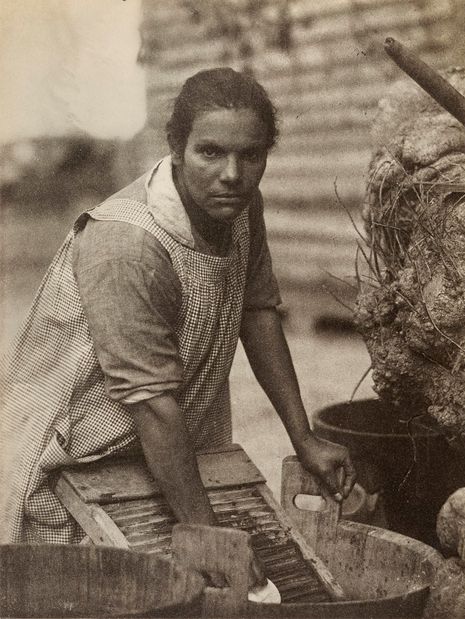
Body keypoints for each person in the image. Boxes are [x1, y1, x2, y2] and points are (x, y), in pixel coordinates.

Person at [0, 69, 355, 567]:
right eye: (210, 152)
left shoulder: (239, 206)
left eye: (250, 155)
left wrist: (304, 437)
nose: (232, 173)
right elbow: (151, 404)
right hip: (76, 463)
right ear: (175, 146)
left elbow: (257, 312)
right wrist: (207, 535)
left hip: (168, 455)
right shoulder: (126, 245)